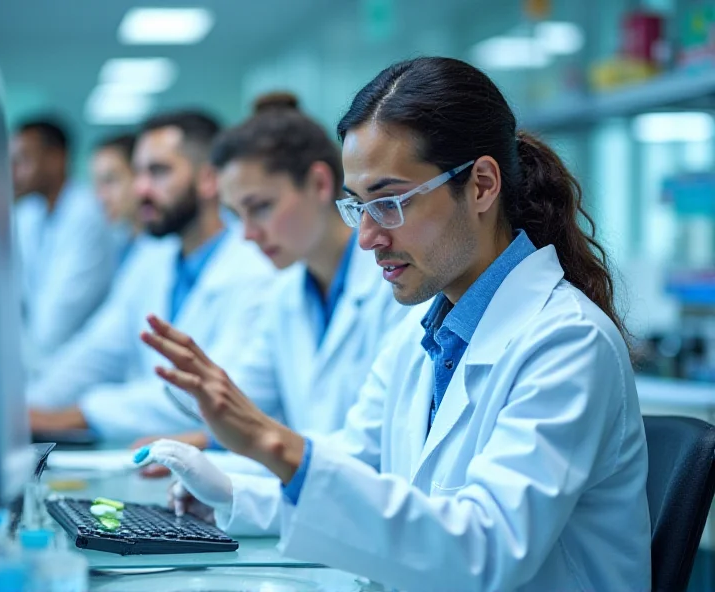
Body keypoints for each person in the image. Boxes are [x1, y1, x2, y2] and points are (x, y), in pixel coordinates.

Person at [139, 57, 651, 591]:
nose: (367, 237)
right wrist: (228, 490)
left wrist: (267, 440)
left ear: (480, 185)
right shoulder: (424, 335)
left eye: (389, 203)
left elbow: (489, 549)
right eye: (357, 207)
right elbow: (356, 465)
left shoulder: (568, 341)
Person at [133, 93, 407, 466]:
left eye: (260, 207)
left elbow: (369, 448)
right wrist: (199, 442)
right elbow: (248, 409)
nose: (247, 234)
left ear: (319, 183)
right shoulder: (286, 294)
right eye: (236, 214)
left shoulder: (394, 285)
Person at [27, 111, 276, 441]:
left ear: (209, 179)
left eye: (158, 172)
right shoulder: (151, 259)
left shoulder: (255, 267)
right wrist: (28, 407)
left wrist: (74, 417)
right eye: (139, 172)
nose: (141, 188)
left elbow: (207, 394)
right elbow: (96, 352)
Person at [12, 118, 116, 376]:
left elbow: (53, 329)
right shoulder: (28, 214)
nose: (14, 172)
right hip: (38, 363)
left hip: (74, 365)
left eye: (23, 160)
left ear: (56, 158)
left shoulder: (86, 215)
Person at [90, 133, 142, 269]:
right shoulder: (124, 244)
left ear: (141, 177)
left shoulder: (165, 250)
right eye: (97, 184)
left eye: (109, 180)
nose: (100, 197)